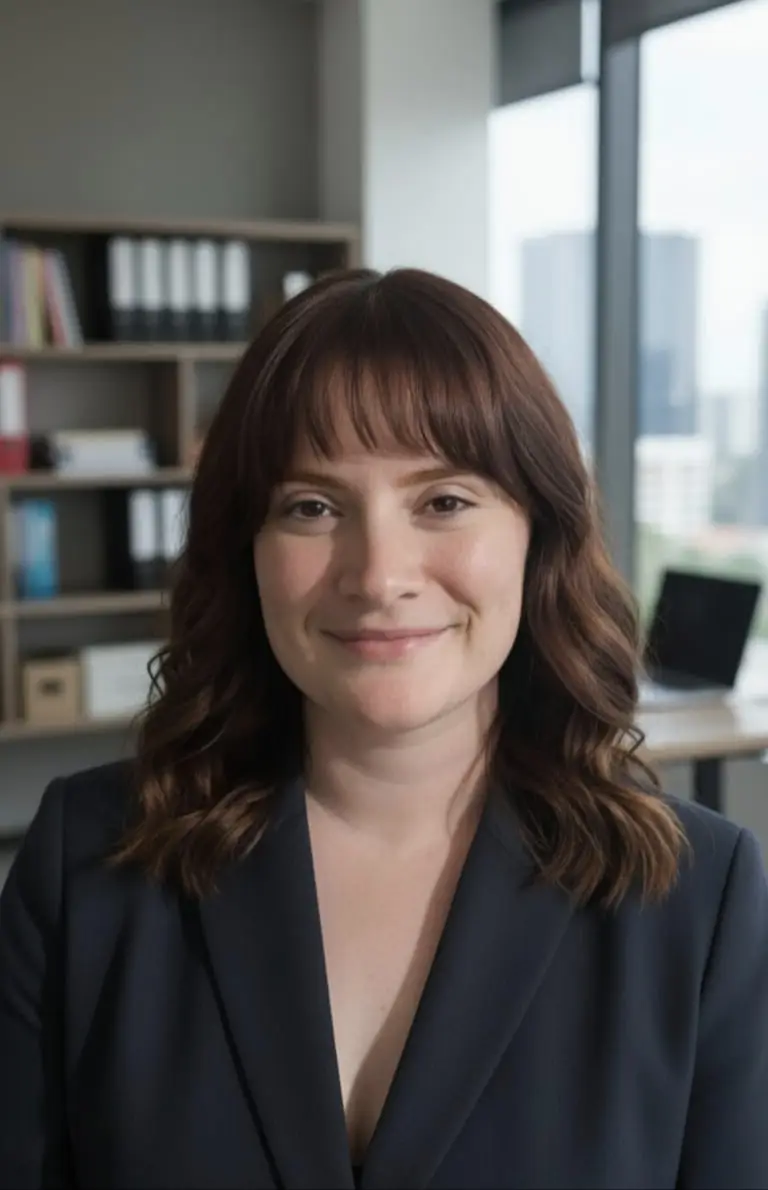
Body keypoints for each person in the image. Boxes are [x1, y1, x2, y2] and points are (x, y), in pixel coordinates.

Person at [1, 267, 767, 1190]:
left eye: (443, 500)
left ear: (539, 535)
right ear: (246, 550)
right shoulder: (83, 864)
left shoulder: (702, 901)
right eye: (312, 507)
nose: (378, 575)